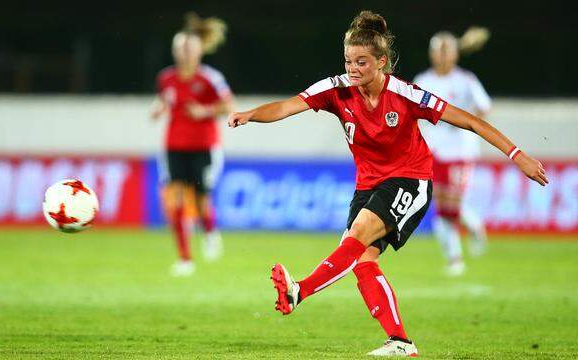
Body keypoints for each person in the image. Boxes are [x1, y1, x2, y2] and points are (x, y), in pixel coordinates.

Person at [227, 10, 547, 357]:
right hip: (368, 185)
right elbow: (288, 107)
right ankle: (401, 341)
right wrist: (251, 115)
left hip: (410, 180)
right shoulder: (336, 90)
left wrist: (518, 156)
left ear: (382, 62)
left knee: (357, 236)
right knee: (363, 261)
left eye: (361, 62)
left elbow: (469, 120)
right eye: (349, 60)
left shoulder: (407, 95)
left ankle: (299, 291)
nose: (352, 68)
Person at [151, 13, 234, 277]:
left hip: (204, 146)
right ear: (175, 51)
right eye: (180, 48)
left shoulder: (210, 78)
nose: (184, 53)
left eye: (189, 48)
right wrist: (158, 108)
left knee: (199, 200)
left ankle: (210, 232)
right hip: (174, 146)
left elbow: (228, 106)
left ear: (199, 51)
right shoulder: (166, 78)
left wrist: (204, 110)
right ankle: (185, 259)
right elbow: (165, 101)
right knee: (174, 199)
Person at [414, 28, 492, 276]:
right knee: (440, 207)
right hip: (433, 150)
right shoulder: (423, 81)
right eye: (438, 51)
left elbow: (484, 107)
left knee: (453, 206)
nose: (442, 56)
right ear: (432, 54)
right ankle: (454, 258)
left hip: (461, 150)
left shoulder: (466, 80)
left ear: (455, 55)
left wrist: (461, 122)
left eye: (446, 52)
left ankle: (475, 226)